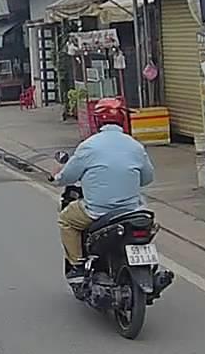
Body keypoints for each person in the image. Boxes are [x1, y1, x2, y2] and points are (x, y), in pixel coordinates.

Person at [52, 98, 155, 283]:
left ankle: (77, 266)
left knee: (66, 220)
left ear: (98, 120)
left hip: (97, 212)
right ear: (122, 119)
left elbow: (68, 176)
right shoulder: (135, 146)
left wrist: (57, 177)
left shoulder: (89, 146)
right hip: (132, 211)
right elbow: (147, 178)